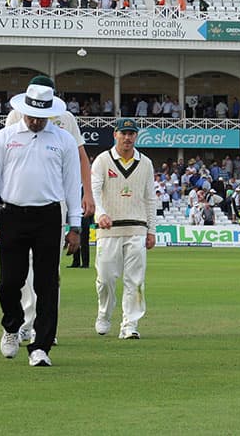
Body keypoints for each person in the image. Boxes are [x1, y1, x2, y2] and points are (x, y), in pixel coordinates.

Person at [0, 81, 82, 367]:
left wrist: (74, 226)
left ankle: (41, 346)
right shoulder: (4, 137)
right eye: (32, 116)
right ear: (24, 111)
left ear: (51, 113)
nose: (36, 121)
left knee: (47, 284)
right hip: (11, 215)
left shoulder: (62, 140)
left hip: (49, 216)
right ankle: (12, 326)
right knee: (9, 282)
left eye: (41, 117)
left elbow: (73, 185)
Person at [5, 76, 94, 341]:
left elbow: (80, 157)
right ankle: (26, 322)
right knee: (23, 269)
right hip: (21, 202)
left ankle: (44, 325)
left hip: (55, 203)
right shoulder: (16, 116)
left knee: (48, 268)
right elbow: (10, 156)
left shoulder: (65, 118)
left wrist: (87, 193)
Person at [91, 118, 157, 339]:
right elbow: (94, 191)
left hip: (137, 228)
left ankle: (130, 324)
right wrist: (100, 214)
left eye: (131, 133)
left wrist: (151, 230)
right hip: (109, 229)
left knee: (135, 280)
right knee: (106, 278)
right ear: (115, 135)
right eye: (123, 133)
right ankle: (104, 314)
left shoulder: (145, 162)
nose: (127, 137)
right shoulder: (102, 160)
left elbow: (150, 198)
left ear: (136, 136)